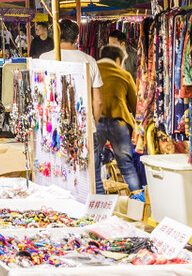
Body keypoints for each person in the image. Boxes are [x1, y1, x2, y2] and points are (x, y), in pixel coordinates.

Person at [96, 44, 141, 193]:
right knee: (126, 166)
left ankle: (100, 199)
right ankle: (138, 200)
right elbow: (135, 104)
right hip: (119, 123)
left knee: (95, 164)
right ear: (117, 60)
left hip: (97, 121)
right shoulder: (124, 74)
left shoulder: (91, 70)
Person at [39, 19, 103, 122]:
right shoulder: (90, 61)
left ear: (56, 37)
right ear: (76, 39)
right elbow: (98, 101)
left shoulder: (44, 59)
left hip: (52, 123)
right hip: (83, 123)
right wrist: (92, 125)